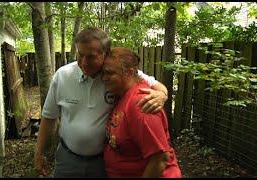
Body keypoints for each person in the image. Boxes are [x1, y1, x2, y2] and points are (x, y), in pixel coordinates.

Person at [34, 27, 169, 178]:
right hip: (67, 159)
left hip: (102, 162)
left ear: (105, 54)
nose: (84, 62)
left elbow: (154, 84)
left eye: (91, 57)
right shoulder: (63, 76)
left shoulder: (116, 75)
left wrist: (162, 94)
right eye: (80, 54)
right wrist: (38, 153)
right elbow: (48, 117)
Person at [102, 47, 181, 178]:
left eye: (110, 73)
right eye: (103, 73)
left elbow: (160, 159)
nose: (104, 78)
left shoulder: (141, 104)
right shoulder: (122, 94)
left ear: (129, 72)